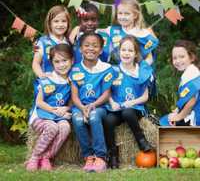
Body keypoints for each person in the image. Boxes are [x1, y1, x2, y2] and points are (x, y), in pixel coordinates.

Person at [103, 35, 153, 169]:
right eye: (123, 50)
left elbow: (145, 97)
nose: (126, 53)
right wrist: (112, 102)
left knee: (127, 113)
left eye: (130, 50)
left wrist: (131, 103)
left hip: (134, 108)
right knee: (108, 120)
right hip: (117, 107)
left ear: (136, 53)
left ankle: (141, 140)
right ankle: (112, 155)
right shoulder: (113, 70)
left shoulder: (141, 71)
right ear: (119, 52)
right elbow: (106, 91)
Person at [70, 33, 116, 173]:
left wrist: (93, 105)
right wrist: (82, 107)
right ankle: (89, 156)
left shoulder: (107, 69)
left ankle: (101, 157)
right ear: (80, 49)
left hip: (100, 106)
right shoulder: (75, 69)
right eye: (87, 45)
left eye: (95, 46)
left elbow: (106, 94)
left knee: (94, 116)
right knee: (77, 119)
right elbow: (74, 96)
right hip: (80, 106)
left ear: (101, 50)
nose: (91, 48)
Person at [26, 43, 73, 171]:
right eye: (57, 62)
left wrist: (66, 109)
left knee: (65, 127)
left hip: (59, 115)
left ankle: (47, 157)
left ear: (72, 60)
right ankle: (35, 157)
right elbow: (39, 102)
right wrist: (54, 110)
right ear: (52, 63)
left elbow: (72, 102)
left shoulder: (72, 80)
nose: (61, 65)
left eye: (65, 60)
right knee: (52, 127)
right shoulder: (48, 78)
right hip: (42, 114)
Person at [102, 0, 159, 65]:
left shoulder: (142, 33)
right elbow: (96, 33)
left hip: (139, 71)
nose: (123, 17)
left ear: (135, 15)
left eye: (127, 14)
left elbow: (149, 58)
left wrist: (139, 71)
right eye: (120, 13)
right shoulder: (113, 30)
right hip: (121, 70)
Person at [32, 5, 71, 98]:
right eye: (56, 21)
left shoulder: (69, 42)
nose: (60, 24)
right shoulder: (42, 42)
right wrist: (41, 75)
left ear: (68, 23)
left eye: (63, 21)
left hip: (65, 88)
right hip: (48, 87)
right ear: (49, 23)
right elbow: (35, 63)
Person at [160, 40, 200, 126]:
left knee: (164, 122)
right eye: (175, 58)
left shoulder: (192, 77)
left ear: (192, 57)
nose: (178, 61)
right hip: (191, 113)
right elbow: (185, 99)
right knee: (167, 118)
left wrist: (179, 117)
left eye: (182, 57)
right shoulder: (189, 74)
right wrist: (178, 110)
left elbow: (191, 102)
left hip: (196, 118)